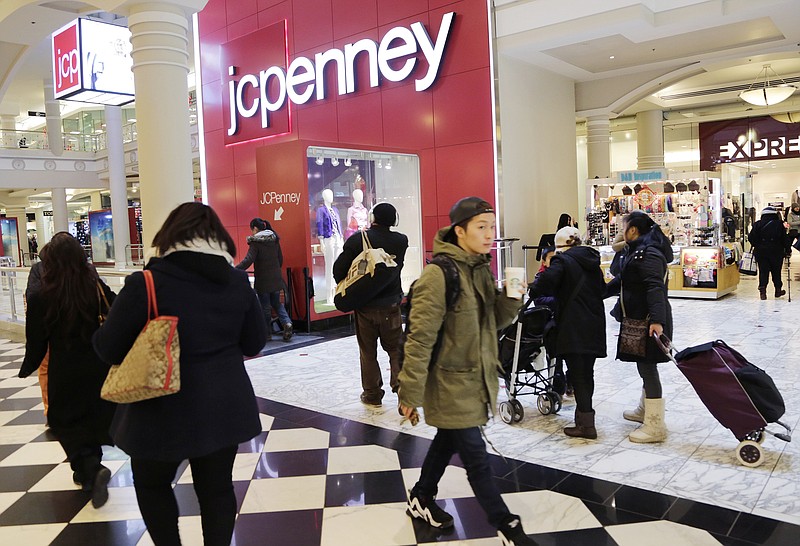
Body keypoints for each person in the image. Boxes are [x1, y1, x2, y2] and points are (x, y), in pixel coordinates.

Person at [93, 202, 267, 546]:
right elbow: (255, 341)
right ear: (216, 237)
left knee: (153, 484)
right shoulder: (236, 281)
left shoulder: (147, 284)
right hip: (223, 405)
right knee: (217, 489)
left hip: (159, 408)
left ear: (169, 237)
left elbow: (107, 348)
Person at [398, 197, 537, 546]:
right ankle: (507, 527)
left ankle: (422, 496)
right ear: (459, 231)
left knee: (447, 440)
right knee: (476, 458)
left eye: (492, 226)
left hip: (475, 380)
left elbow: (494, 322)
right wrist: (409, 394)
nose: (490, 233)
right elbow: (419, 339)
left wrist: (514, 295)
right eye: (481, 226)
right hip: (449, 383)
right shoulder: (438, 276)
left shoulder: (479, 269)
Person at [18, 232, 117, 507]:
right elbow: (117, 309)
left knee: (63, 421)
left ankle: (90, 469)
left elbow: (36, 337)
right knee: (92, 416)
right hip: (98, 364)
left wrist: (29, 365)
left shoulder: (42, 295)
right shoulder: (93, 286)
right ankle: (89, 471)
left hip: (64, 368)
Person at [529, 226, 606, 439]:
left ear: (561, 245)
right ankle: (584, 419)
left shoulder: (562, 261)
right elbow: (602, 290)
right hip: (594, 323)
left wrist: (531, 287)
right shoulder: (593, 262)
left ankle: (586, 426)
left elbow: (543, 284)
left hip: (573, 325)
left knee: (578, 374)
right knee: (586, 373)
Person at [333, 203, 408, 406]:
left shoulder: (358, 239)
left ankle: (372, 395)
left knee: (368, 352)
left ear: (372, 218)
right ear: (394, 220)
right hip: (391, 305)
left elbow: (338, 269)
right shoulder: (401, 241)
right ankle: (403, 393)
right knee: (395, 349)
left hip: (365, 306)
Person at [608, 210, 673, 443]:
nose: (619, 231)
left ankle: (655, 426)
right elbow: (622, 280)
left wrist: (657, 321)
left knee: (648, 367)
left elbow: (655, 287)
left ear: (633, 229)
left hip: (649, 321)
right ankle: (644, 410)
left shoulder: (649, 254)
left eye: (622, 227)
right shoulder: (635, 251)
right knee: (643, 365)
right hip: (638, 319)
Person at [236, 217, 293, 342]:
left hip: (263, 279)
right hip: (276, 278)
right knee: (277, 303)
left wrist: (236, 269)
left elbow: (248, 260)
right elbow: (280, 258)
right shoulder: (274, 239)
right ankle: (287, 323)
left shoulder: (256, 242)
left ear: (255, 228)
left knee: (265, 307)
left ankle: (267, 333)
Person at [748, 207, 787, 300]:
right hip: (776, 251)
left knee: (763, 271)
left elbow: (751, 238)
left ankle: (763, 292)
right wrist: (788, 250)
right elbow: (784, 239)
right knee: (776, 271)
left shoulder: (757, 224)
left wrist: (758, 245)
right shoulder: (779, 224)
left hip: (761, 251)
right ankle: (778, 290)